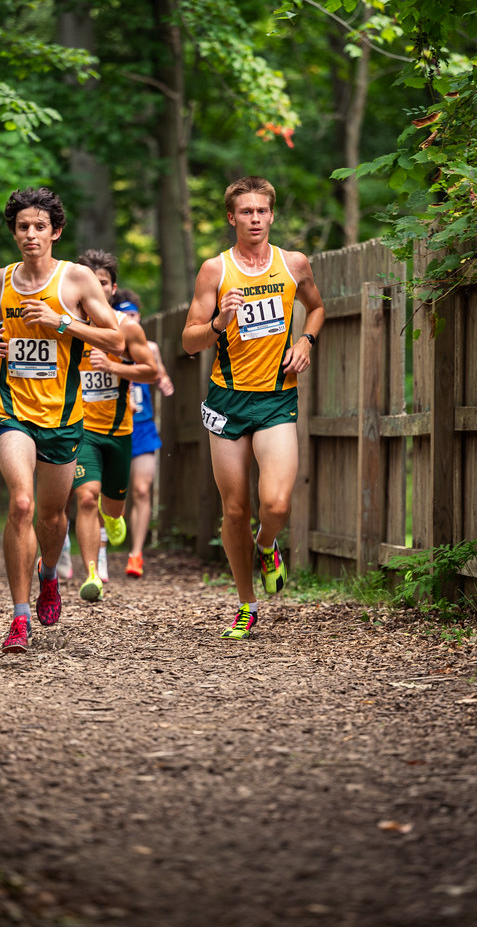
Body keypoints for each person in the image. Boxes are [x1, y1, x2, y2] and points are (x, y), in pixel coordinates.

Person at [0, 187, 124, 654]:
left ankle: (48, 574)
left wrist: (60, 322)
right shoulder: (2, 279)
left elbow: (116, 340)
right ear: (14, 232)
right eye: (23, 226)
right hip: (12, 409)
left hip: (61, 417)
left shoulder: (77, 279)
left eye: (40, 226)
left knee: (52, 516)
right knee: (21, 503)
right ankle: (19, 618)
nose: (31, 234)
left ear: (55, 232)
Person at [182, 175, 325, 640]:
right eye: (246, 211)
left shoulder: (293, 263)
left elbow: (317, 308)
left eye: (262, 210)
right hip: (227, 401)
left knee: (276, 503)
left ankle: (267, 546)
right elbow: (188, 341)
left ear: (272, 214)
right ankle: (247, 604)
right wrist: (218, 322)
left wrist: (305, 340)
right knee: (236, 510)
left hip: (276, 397)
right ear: (232, 217)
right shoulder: (215, 270)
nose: (255, 219)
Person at [60, 251, 157, 601]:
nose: (94, 287)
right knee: (86, 497)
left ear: (112, 288)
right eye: (88, 280)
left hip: (119, 432)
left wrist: (114, 367)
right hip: (81, 429)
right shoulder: (65, 325)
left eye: (101, 282)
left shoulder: (126, 327)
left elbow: (151, 371)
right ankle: (92, 574)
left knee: (112, 506)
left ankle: (114, 517)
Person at [111, 289, 174, 579]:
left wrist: (164, 383)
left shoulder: (150, 348)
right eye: (126, 315)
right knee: (110, 492)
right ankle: (102, 548)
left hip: (143, 425)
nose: (131, 319)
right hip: (112, 423)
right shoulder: (105, 345)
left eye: (135, 315)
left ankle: (136, 554)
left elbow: (160, 374)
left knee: (142, 489)